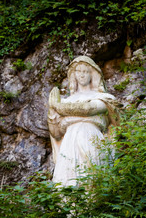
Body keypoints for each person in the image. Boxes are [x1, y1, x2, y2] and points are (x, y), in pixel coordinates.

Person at [48, 56, 120, 186]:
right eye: (78, 71)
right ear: (73, 75)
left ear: (93, 74)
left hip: (91, 138)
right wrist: (52, 113)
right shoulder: (66, 101)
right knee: (66, 183)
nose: (82, 75)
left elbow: (88, 109)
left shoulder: (104, 98)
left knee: (92, 180)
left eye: (85, 71)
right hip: (68, 144)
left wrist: (57, 106)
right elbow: (56, 134)